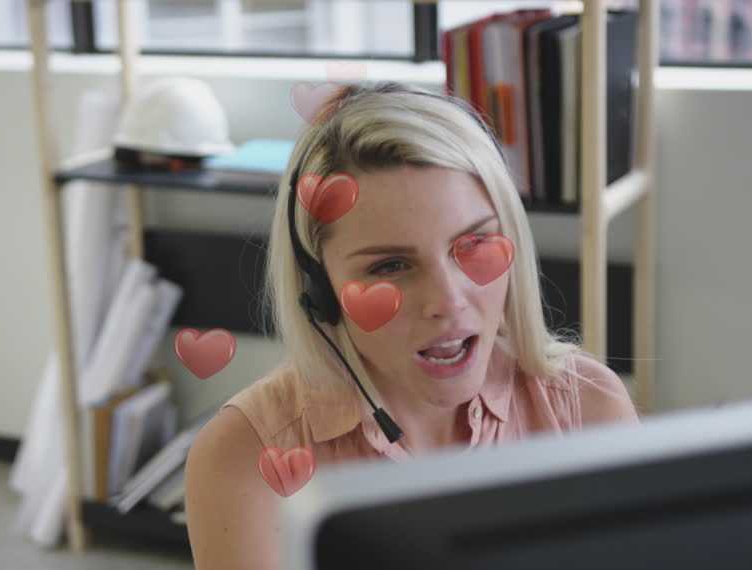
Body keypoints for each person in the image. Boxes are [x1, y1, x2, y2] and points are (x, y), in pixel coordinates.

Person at [184, 81, 639, 569]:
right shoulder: (244, 456)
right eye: (391, 266)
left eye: (473, 244)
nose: (448, 301)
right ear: (320, 288)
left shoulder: (588, 407)